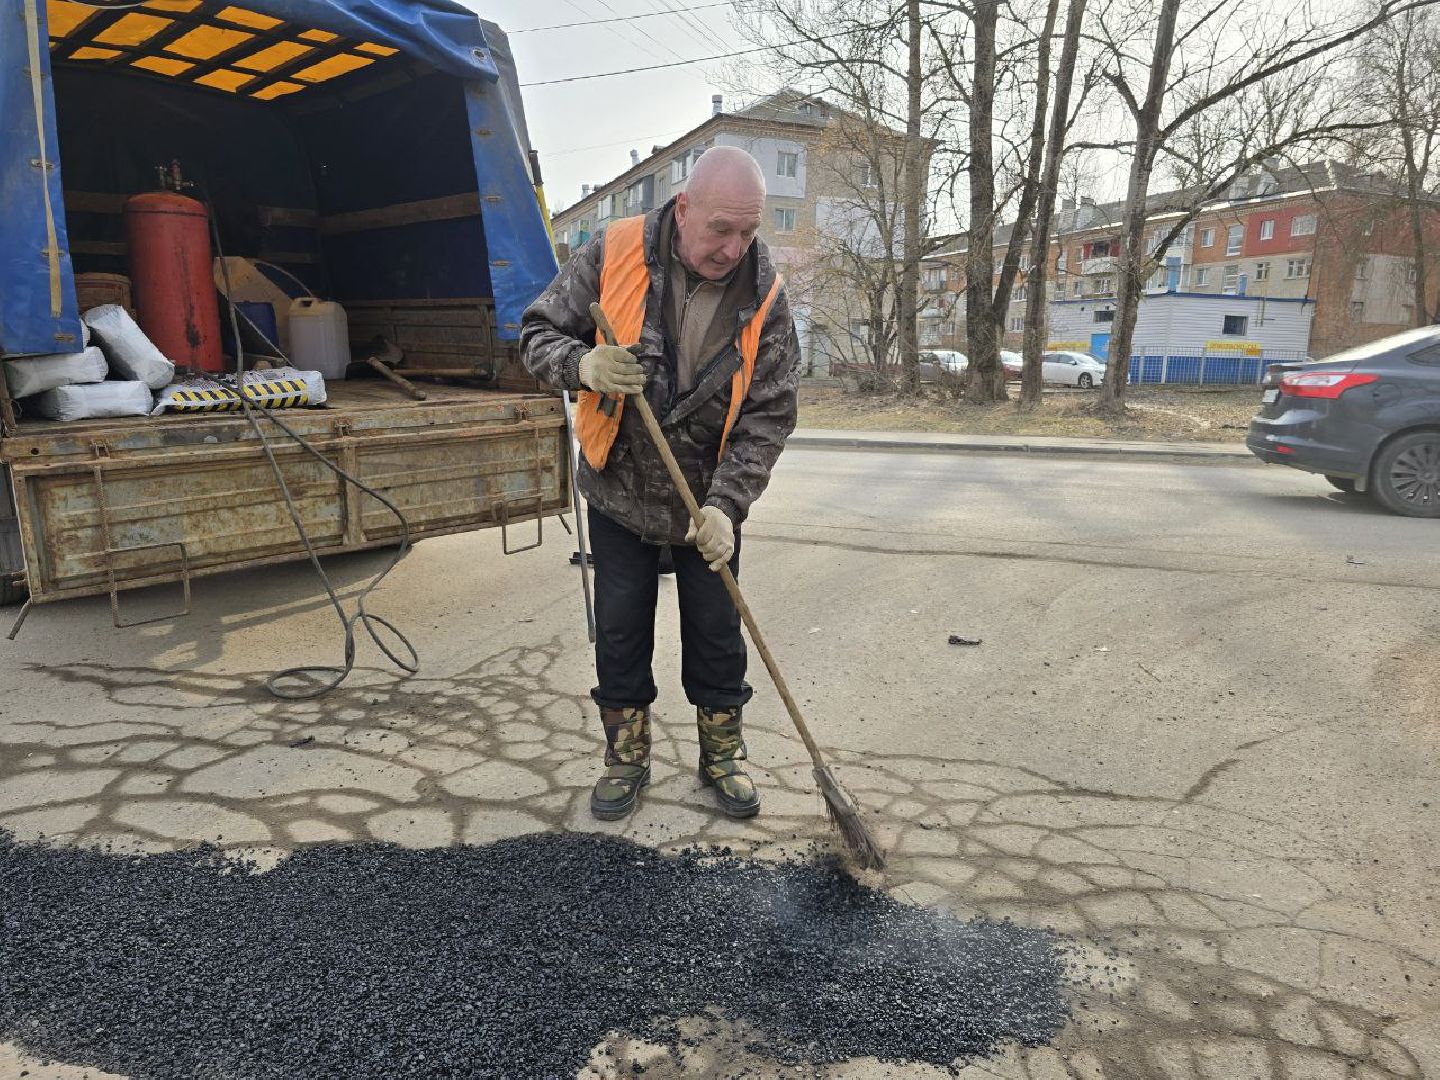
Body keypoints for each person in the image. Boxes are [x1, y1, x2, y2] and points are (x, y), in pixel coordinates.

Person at [520, 146, 800, 821]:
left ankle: (722, 754)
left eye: (748, 231)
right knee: (621, 630)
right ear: (683, 209)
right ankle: (626, 755)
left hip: (705, 498)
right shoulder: (612, 251)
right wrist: (582, 365)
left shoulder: (765, 293)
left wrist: (727, 508)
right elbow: (535, 334)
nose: (733, 247)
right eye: (719, 229)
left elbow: (769, 411)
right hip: (619, 485)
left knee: (716, 629)